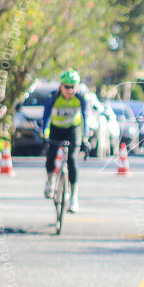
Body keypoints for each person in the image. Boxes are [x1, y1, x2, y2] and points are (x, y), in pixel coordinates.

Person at [41, 69, 88, 213]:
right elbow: (46, 116)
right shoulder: (53, 97)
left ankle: (73, 197)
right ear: (61, 86)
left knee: (72, 160)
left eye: (73, 86)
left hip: (73, 129)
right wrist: (45, 133)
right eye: (67, 86)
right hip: (56, 128)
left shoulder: (81, 97)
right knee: (51, 155)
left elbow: (86, 116)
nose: (70, 90)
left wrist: (85, 137)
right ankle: (50, 181)